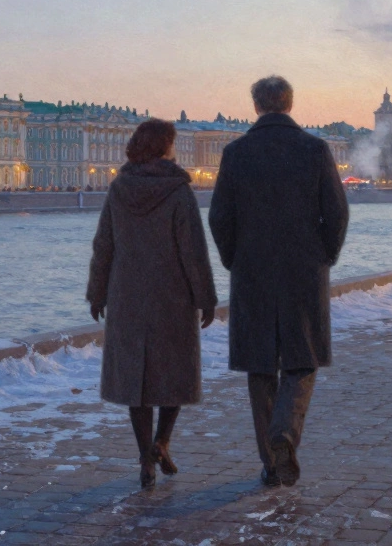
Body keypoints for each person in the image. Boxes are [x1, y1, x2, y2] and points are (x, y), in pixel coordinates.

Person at [208, 75, 349, 488]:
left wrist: (234, 258)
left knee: (260, 366)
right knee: (302, 359)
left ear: (256, 106)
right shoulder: (315, 149)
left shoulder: (235, 153)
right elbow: (337, 214)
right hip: (303, 271)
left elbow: (219, 217)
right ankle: (285, 431)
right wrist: (325, 255)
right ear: (289, 104)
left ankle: (271, 464)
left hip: (252, 272)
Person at [86, 118, 217, 490]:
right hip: (172, 296)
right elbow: (193, 251)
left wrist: (97, 292)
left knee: (136, 380)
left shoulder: (118, 188)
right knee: (174, 372)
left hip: (127, 295)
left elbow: (103, 246)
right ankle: (162, 441)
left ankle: (145, 456)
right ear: (165, 147)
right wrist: (205, 297)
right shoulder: (178, 191)